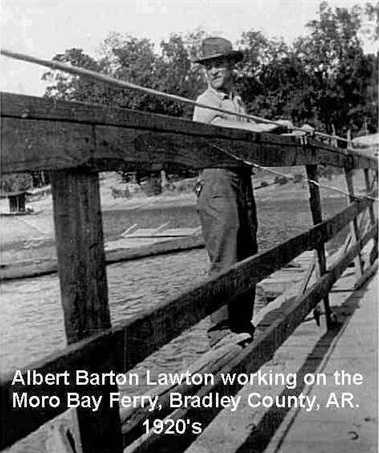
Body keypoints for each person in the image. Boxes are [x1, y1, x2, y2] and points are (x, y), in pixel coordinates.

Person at [192, 37, 294, 346]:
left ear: (231, 66)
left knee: (248, 248)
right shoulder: (204, 101)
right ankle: (220, 331)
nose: (214, 71)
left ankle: (242, 323)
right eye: (208, 66)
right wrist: (269, 126)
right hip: (216, 180)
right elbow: (237, 133)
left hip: (240, 178)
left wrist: (288, 132)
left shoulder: (237, 101)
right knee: (225, 254)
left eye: (219, 64)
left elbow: (250, 134)